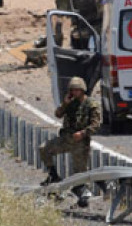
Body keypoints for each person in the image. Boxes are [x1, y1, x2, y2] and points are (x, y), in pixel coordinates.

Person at [39, 76, 102, 208]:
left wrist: (83, 133)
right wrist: (65, 104)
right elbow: (58, 114)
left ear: (83, 90)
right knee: (44, 149)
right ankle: (53, 176)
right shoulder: (69, 103)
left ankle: (81, 194)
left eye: (77, 90)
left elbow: (96, 125)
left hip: (80, 143)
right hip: (66, 139)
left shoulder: (91, 104)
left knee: (79, 174)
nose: (74, 92)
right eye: (72, 90)